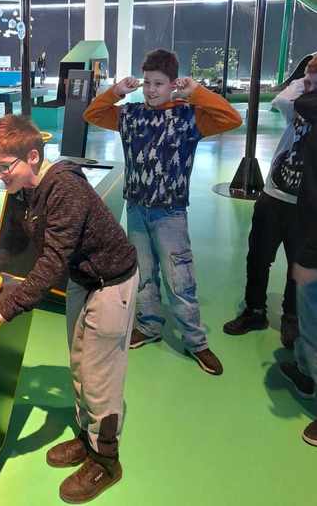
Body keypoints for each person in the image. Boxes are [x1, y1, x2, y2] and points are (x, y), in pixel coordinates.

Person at [0, 115, 139, 502]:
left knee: (100, 377)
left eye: (4, 167)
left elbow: (52, 262)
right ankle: (87, 438)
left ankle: (106, 461)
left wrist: (4, 308)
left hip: (111, 281)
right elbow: (14, 246)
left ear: (33, 157)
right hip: (83, 279)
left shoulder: (64, 188)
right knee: (79, 364)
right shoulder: (22, 189)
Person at [84, 49, 242, 375]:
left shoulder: (189, 117)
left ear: (173, 84)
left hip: (170, 213)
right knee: (143, 274)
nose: (151, 89)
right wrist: (116, 91)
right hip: (137, 209)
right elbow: (92, 114)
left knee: (179, 278)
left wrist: (196, 92)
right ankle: (149, 325)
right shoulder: (130, 115)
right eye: (147, 82)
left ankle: (196, 341)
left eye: (159, 83)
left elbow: (232, 118)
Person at [223, 60, 317, 348]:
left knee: (296, 264)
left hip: (304, 205)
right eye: (307, 82)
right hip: (273, 195)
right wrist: (306, 81)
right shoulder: (297, 107)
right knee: (258, 257)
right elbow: (281, 100)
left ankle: (292, 318)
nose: (308, 88)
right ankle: (255, 311)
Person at [276, 65, 317, 445]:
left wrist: (309, 257)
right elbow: (288, 101)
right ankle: (306, 373)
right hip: (306, 230)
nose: (307, 89)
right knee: (309, 320)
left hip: (313, 248)